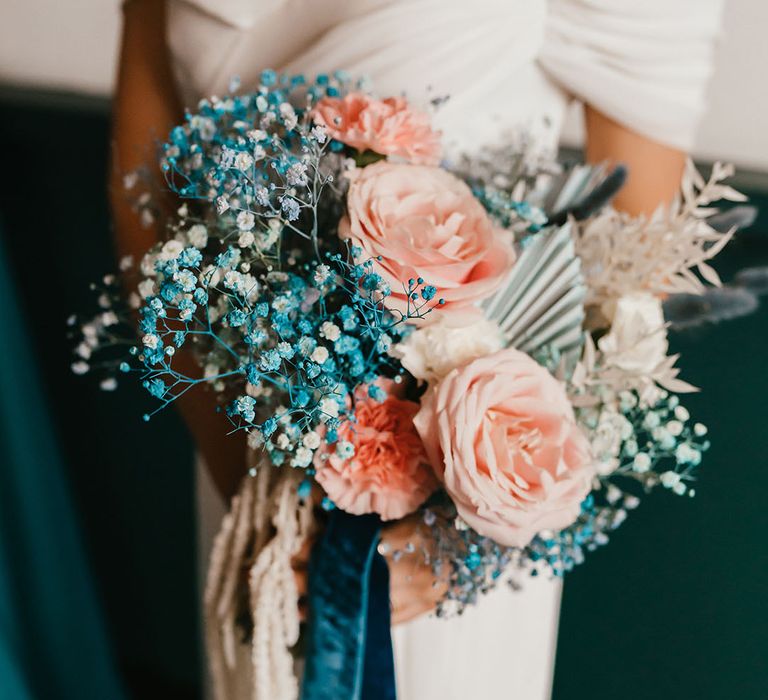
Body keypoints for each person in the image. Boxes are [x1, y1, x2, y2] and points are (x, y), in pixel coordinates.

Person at [112, 1, 725, 697]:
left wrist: (460, 542)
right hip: (240, 441)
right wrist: (252, 480)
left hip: (450, 511)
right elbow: (147, 203)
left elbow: (636, 279)